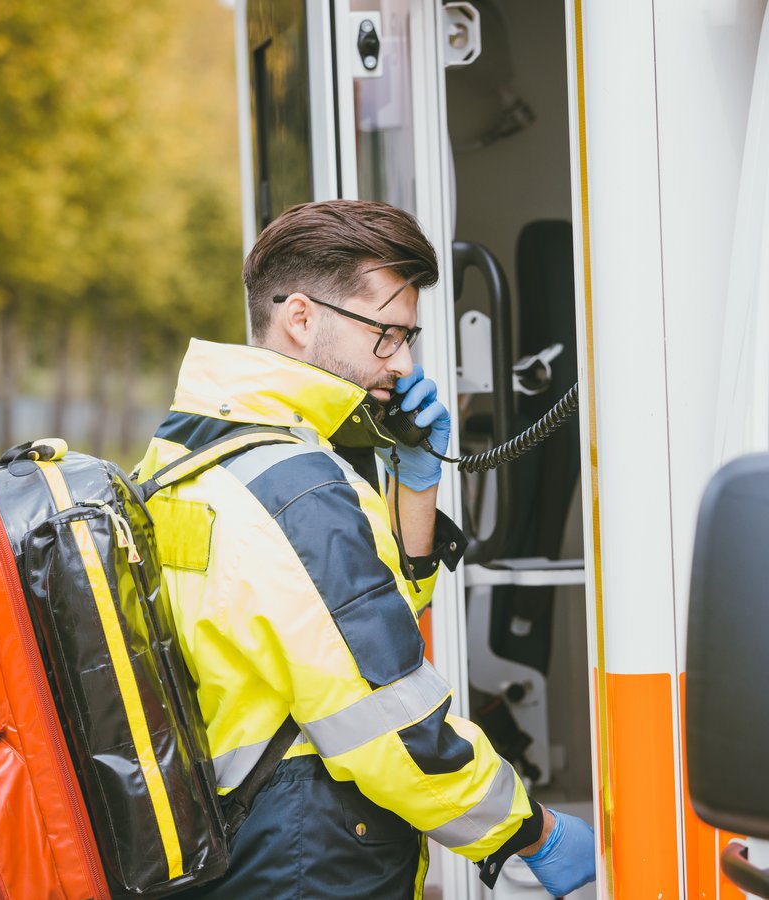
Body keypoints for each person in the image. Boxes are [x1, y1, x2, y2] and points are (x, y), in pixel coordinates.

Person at [137, 199, 595, 898]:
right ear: (301, 318)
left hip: (238, 844)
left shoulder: (184, 451)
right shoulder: (295, 488)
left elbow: (347, 634)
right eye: (388, 334)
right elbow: (390, 726)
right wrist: (528, 831)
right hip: (306, 855)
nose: (404, 363)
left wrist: (416, 487)